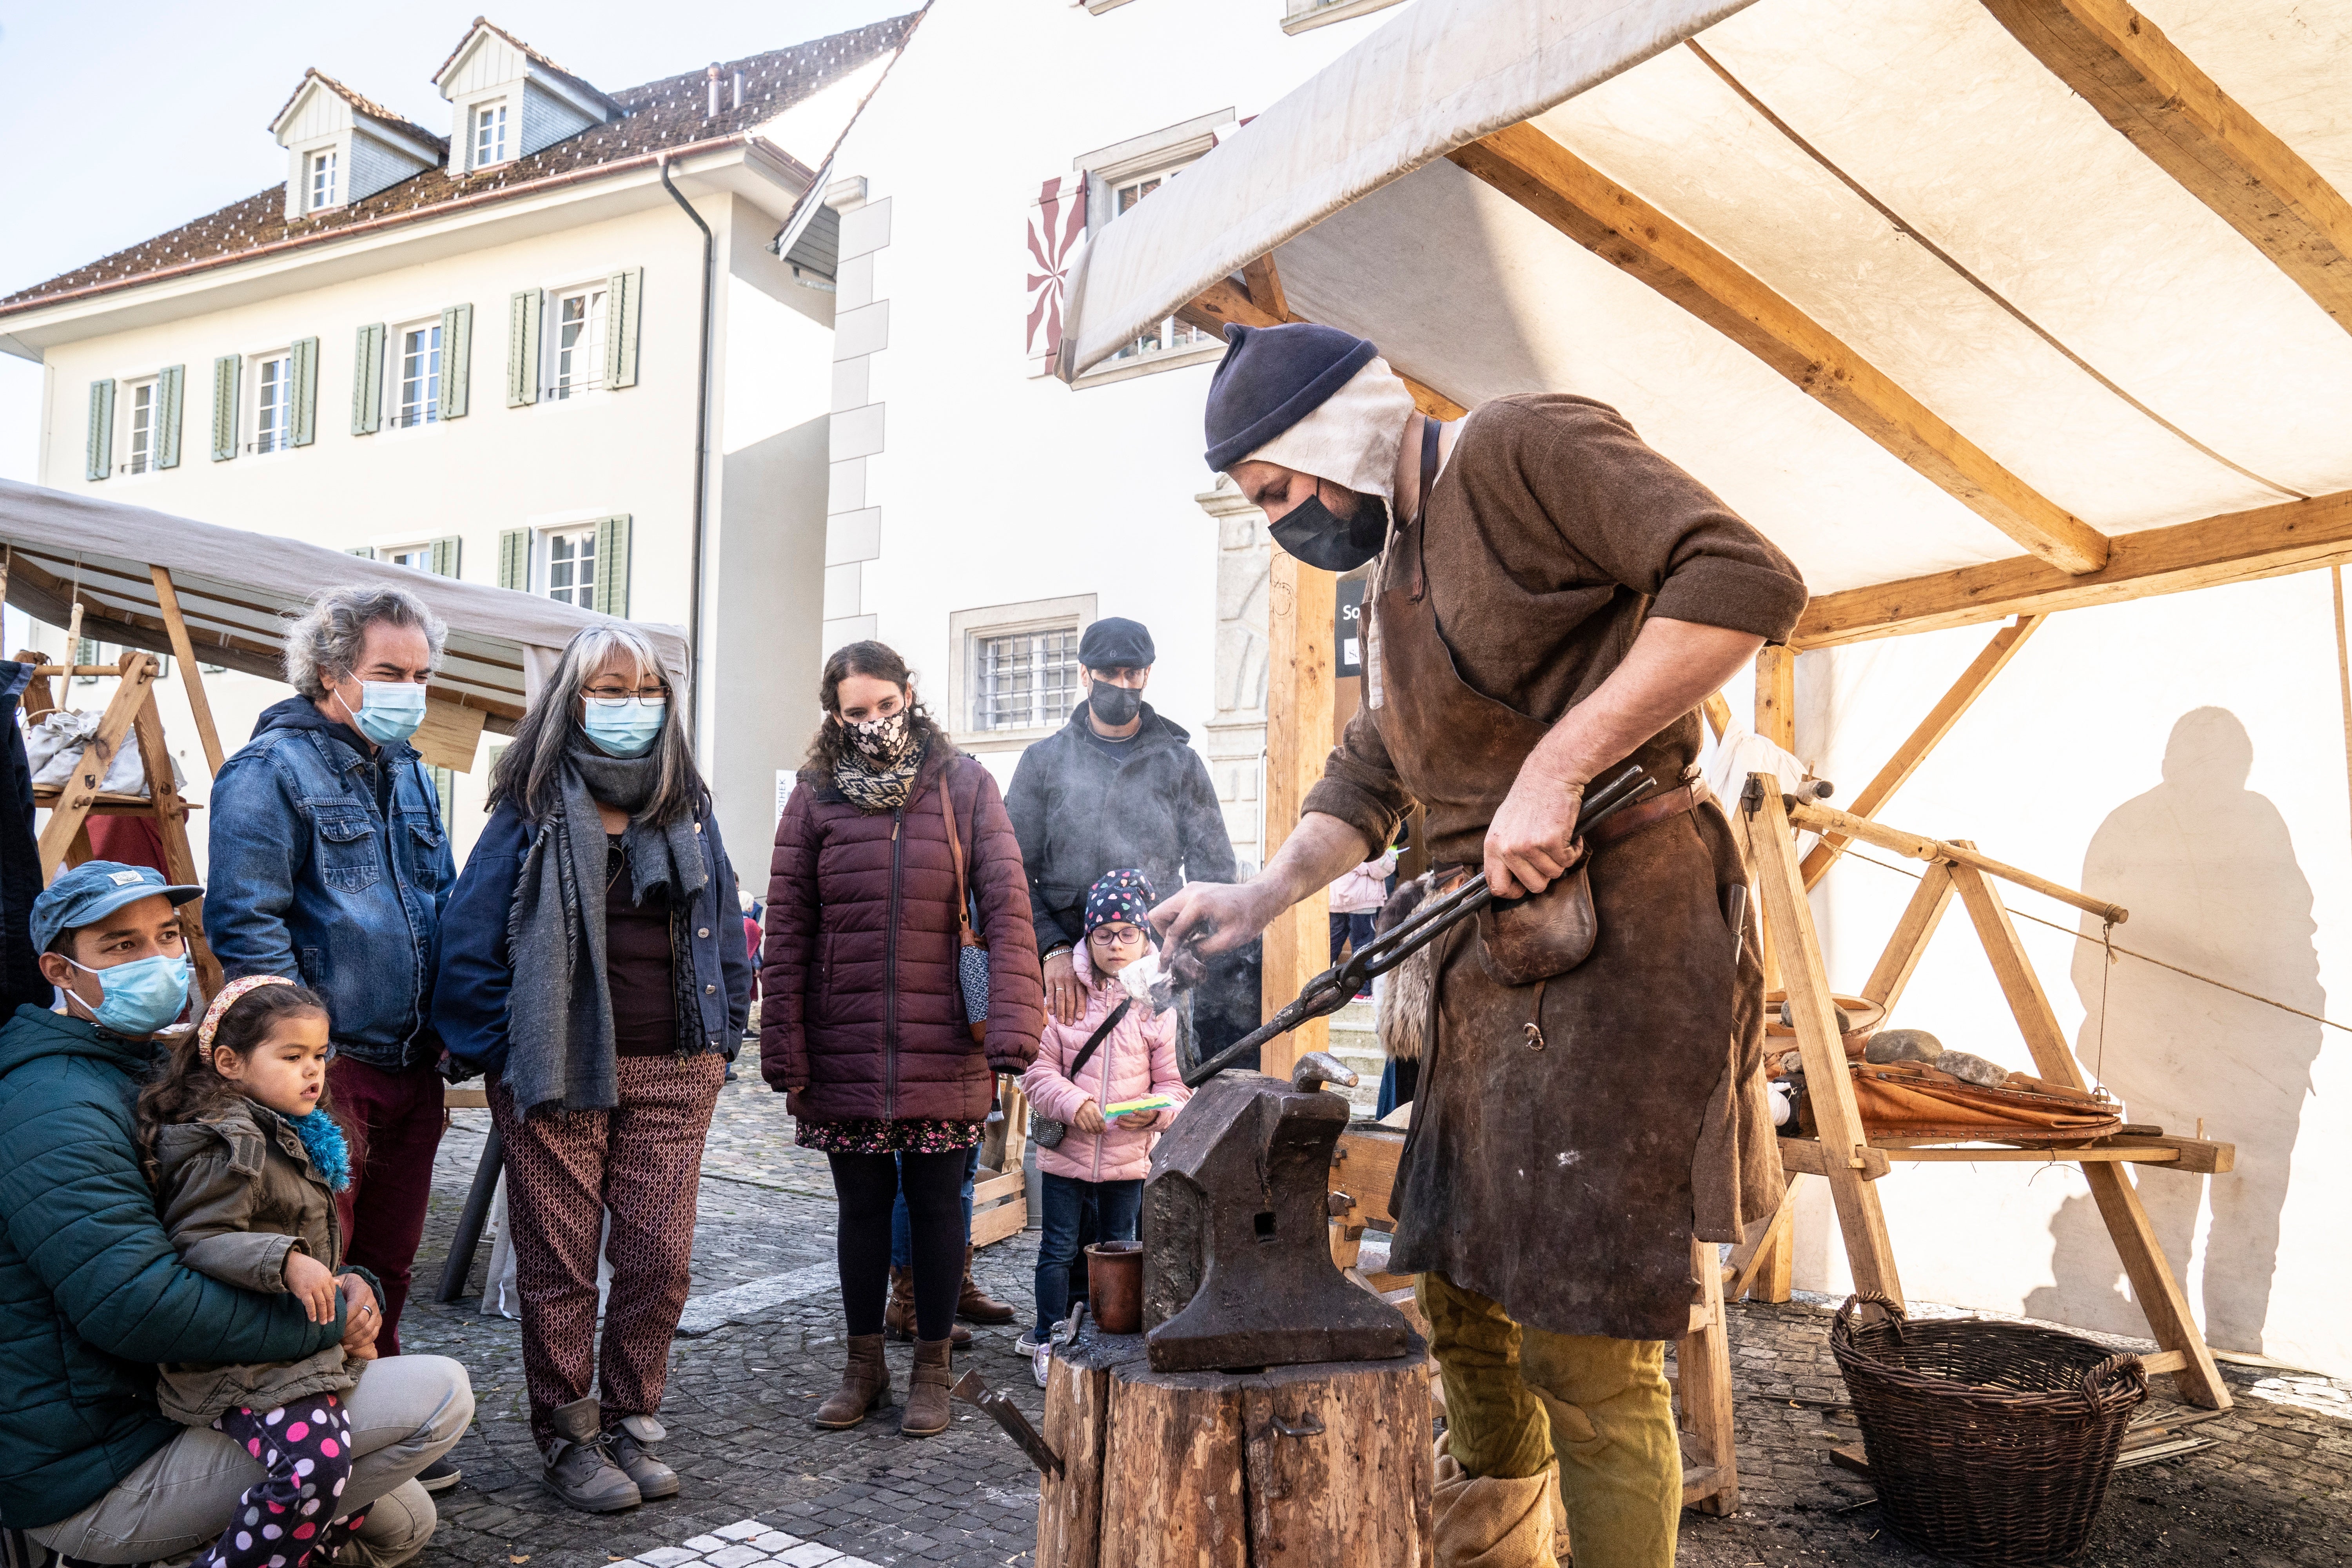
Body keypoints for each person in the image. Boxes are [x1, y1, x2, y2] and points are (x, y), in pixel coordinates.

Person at [1156, 323, 1805, 1568]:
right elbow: (1377, 768)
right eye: (1263, 508)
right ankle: (1499, 1547)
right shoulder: (1390, 573)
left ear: (1334, 433)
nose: (1287, 521)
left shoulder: (1519, 446)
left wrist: (1558, 768)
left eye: (1283, 491)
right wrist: (1261, 894)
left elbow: (1743, 578)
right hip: (1480, 966)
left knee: (1583, 1337)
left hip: (1619, 936)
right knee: (1455, 1290)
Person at [3, 863, 470, 1566]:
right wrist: (332, 1326)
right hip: (94, 1467)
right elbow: (137, 1304)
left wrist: (353, 1285)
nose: (159, 959)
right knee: (438, 1396)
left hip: (167, 1407)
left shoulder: (141, 1064)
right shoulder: (53, 1104)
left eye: (167, 936)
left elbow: (262, 1217)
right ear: (60, 971)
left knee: (403, 1521)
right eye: (122, 946)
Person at [433, 625, 751, 1513]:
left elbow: (725, 924)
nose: (632, 706)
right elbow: (468, 941)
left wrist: (724, 1036)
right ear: (572, 703)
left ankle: (632, 1419)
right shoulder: (530, 803)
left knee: (659, 1259)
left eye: (647, 690)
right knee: (561, 1264)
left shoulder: (685, 803)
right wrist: (503, 1051)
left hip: (674, 1066)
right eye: (610, 690)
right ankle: (569, 1439)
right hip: (559, 1072)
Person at [762, 641, 1042, 1440]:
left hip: (944, 1036)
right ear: (835, 715)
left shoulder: (964, 785)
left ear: (911, 695)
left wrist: (1015, 1031)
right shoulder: (814, 798)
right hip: (844, 1036)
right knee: (859, 1208)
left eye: (886, 705)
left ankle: (931, 1366)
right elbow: (787, 928)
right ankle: (862, 1364)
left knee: (935, 1207)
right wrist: (785, 1046)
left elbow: (1009, 908)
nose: (875, 722)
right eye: (857, 712)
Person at [205, 584, 456, 1399]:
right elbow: (247, 927)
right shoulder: (267, 771)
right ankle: (317, 1412)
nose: (408, 690)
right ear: (329, 670)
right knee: (321, 1255)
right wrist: (298, 1064)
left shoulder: (412, 772)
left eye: (420, 674)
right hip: (331, 1070)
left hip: (414, 1063)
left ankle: (379, 1403)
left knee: (388, 1258)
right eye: (390, 670)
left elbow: (440, 897)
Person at [138, 976, 374, 1568]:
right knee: (314, 1467)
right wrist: (285, 1261)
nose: (313, 1072)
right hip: (241, 1363)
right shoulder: (230, 1143)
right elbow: (198, 1238)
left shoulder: (292, 1132)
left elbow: (314, 1238)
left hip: (295, 1352)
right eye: (292, 1057)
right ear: (229, 1063)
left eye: (320, 1056)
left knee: (365, 1474)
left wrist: (348, 1282)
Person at [1003, 616, 1254, 1059]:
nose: (1122, 684)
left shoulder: (1181, 764)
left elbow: (1214, 874)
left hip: (1156, 973)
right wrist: (1051, 950)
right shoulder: (1042, 762)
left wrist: (1187, 950)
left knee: (1162, 1104)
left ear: (1147, 675)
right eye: (1109, 674)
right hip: (1068, 979)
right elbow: (1011, 872)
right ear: (1085, 674)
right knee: (1066, 1106)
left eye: (1132, 674)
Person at [1017, 869, 1189, 1386]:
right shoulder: (1062, 997)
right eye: (1104, 934)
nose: (1116, 944)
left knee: (1120, 1246)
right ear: (1088, 938)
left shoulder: (1157, 1005)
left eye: (1126, 933)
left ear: (1144, 937)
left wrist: (1157, 1113)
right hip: (1067, 1154)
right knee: (1057, 1250)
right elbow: (1037, 1071)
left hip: (1127, 1156)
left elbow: (1177, 1087)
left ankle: (1108, 1336)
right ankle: (1050, 1337)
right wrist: (1074, 1104)